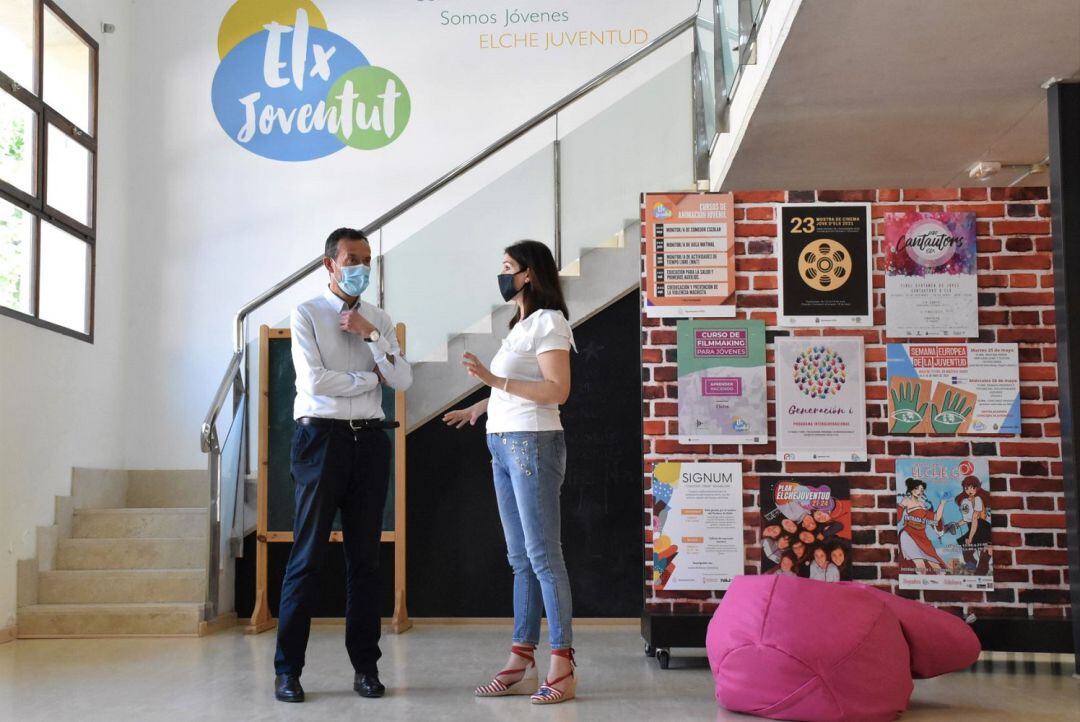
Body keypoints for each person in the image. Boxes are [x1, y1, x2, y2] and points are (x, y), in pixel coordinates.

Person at [273, 228, 413, 704]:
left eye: (367, 259)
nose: (361, 267)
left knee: (366, 562)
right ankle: (287, 671)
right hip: (321, 440)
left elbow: (401, 377)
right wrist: (366, 378)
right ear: (329, 264)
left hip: (370, 443)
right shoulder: (307, 312)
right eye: (352, 258)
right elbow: (314, 382)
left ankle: (366, 669)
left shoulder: (379, 318)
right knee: (307, 557)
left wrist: (372, 337)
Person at [443, 240, 578, 705]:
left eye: (507, 268)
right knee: (519, 559)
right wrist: (481, 406)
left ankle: (563, 663)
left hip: (532, 445)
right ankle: (521, 659)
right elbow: (517, 390)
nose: (501, 276)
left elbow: (557, 390)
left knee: (543, 556)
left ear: (528, 274)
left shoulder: (549, 321)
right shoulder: (519, 324)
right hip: (503, 443)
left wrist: (493, 381)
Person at [898, 478, 947, 575]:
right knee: (921, 568)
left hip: (922, 537)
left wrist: (942, 503)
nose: (919, 492)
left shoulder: (922, 504)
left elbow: (936, 518)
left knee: (939, 569)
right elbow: (898, 516)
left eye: (921, 490)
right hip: (909, 535)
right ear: (911, 489)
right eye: (916, 489)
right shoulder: (906, 500)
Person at [955, 476, 992, 575]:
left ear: (977, 488)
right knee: (966, 552)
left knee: (985, 553)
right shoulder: (965, 502)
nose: (969, 490)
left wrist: (970, 537)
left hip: (982, 528)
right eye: (967, 488)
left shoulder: (978, 499)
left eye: (972, 487)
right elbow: (967, 519)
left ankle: (981, 573)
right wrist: (957, 525)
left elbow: (975, 518)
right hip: (972, 527)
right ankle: (972, 567)